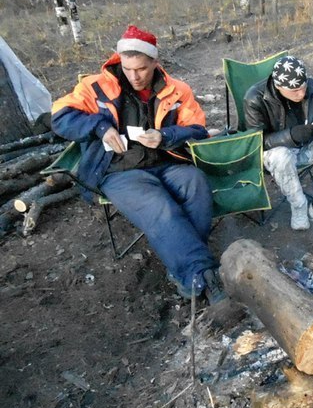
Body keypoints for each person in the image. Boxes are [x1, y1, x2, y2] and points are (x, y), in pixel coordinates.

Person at [51, 25, 226, 303]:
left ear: (155, 63)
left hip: (166, 161)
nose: (134, 76)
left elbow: (197, 129)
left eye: (142, 69)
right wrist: (99, 126)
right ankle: (201, 273)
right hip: (119, 169)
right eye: (128, 68)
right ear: (120, 61)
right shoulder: (95, 86)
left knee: (196, 185)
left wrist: (166, 135)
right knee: (161, 207)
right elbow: (60, 116)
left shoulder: (177, 90)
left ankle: (182, 268)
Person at [243, 56, 313, 230]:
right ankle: (298, 205)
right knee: (281, 155)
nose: (301, 94)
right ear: (279, 86)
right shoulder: (255, 98)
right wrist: (290, 136)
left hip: (305, 147)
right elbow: (255, 142)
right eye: (294, 91)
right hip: (275, 155)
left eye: (302, 87)